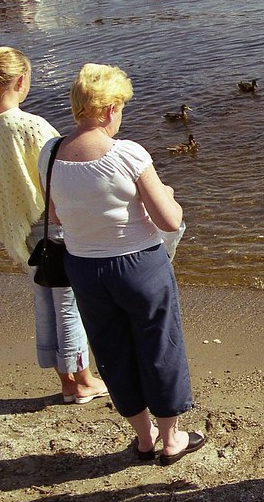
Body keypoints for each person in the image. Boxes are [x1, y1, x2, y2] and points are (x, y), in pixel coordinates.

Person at [40, 63, 204, 465]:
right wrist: (168, 192)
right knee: (159, 346)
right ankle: (170, 440)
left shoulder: (50, 152)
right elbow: (170, 220)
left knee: (112, 350)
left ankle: (143, 437)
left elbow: (55, 215)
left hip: (84, 269)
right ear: (110, 108)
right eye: (122, 107)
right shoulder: (127, 153)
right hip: (139, 267)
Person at [0, 46, 108, 405]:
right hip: (49, 224)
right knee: (68, 302)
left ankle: (65, 383)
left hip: (20, 225)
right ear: (21, 80)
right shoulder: (30, 125)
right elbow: (64, 171)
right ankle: (84, 381)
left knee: (44, 300)